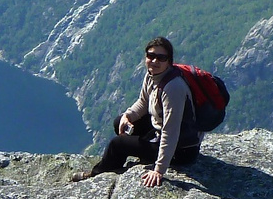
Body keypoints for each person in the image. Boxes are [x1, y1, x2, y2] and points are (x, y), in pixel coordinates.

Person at [73, 37, 200, 186]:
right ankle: (117, 163)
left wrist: (159, 170)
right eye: (151, 56)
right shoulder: (153, 75)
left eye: (161, 57)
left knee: (118, 144)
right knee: (119, 122)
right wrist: (128, 116)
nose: (154, 61)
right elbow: (143, 102)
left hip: (181, 150)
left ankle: (96, 174)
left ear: (169, 60)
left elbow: (171, 132)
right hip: (160, 130)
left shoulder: (173, 88)